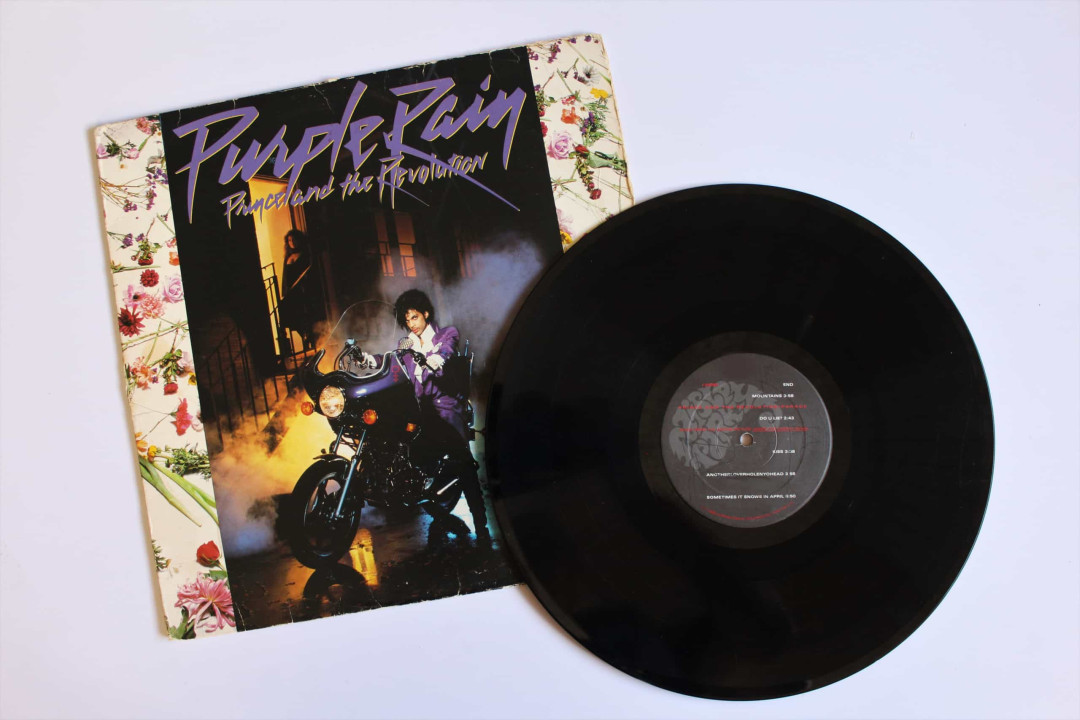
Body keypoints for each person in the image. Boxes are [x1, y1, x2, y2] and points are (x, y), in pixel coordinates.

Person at [366, 289, 490, 543]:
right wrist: (370, 360)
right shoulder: (408, 343)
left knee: (464, 464)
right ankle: (430, 504)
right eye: (407, 320)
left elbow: (445, 350)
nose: (411, 324)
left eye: (414, 317)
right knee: (407, 456)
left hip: (446, 408)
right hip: (422, 411)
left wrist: (434, 359)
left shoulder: (446, 334)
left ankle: (481, 524)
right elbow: (392, 361)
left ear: (425, 313)